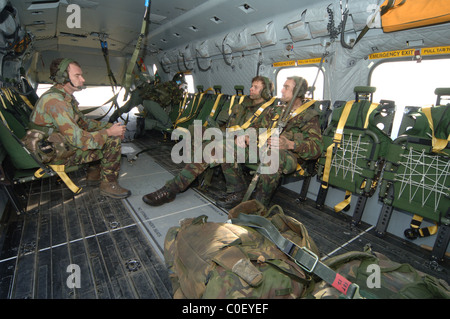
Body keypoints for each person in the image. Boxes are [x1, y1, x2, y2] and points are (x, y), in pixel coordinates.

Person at [142, 76, 276, 206]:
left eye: (256, 87)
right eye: (252, 86)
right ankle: (194, 176)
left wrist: (245, 135)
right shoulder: (243, 103)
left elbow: (260, 131)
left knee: (212, 149)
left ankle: (173, 188)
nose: (251, 89)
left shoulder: (269, 111)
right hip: (231, 136)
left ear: (265, 92)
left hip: (250, 145)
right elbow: (231, 123)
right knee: (198, 131)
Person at [22, 58, 131, 199]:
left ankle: (93, 175)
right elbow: (79, 140)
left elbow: (84, 123)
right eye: (77, 76)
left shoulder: (64, 97)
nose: (83, 79)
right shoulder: (56, 102)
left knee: (101, 134)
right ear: (63, 77)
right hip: (52, 154)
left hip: (60, 144)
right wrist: (109, 133)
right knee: (112, 140)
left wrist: (109, 126)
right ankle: (108, 185)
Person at [217, 76, 323, 208]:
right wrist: (247, 136)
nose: (282, 91)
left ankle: (258, 205)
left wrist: (290, 144)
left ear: (298, 93)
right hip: (263, 148)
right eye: (283, 86)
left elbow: (316, 148)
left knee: (272, 156)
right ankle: (237, 191)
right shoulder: (276, 110)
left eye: (286, 87)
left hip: (288, 155)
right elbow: (258, 126)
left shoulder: (309, 116)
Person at [108, 73, 185, 137]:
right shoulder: (174, 88)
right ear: (179, 83)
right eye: (181, 84)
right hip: (140, 95)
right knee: (126, 108)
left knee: (151, 115)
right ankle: (112, 119)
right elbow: (177, 101)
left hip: (147, 98)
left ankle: (143, 128)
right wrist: (181, 91)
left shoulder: (166, 84)